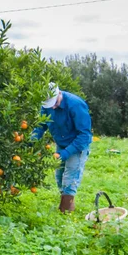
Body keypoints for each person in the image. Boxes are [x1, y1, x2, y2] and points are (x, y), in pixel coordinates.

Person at [32, 82, 92, 213]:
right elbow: (40, 126)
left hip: (77, 145)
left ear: (59, 94)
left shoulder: (76, 105)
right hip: (61, 142)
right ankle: (66, 204)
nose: (52, 107)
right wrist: (31, 142)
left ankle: (65, 212)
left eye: (55, 103)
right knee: (59, 175)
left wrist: (65, 153)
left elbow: (84, 135)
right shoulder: (47, 105)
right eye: (49, 105)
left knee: (70, 175)